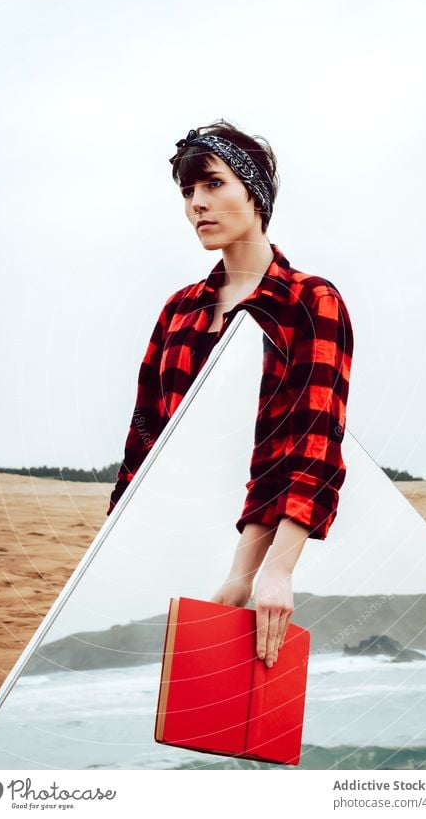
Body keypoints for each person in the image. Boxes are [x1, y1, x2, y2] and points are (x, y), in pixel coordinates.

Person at [107, 119, 354, 670]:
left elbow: (311, 440)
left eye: (213, 184)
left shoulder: (309, 301)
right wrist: (111, 552)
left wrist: (273, 571)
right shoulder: (178, 310)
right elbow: (144, 440)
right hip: (173, 546)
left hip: (262, 557)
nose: (197, 203)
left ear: (255, 193)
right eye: (187, 192)